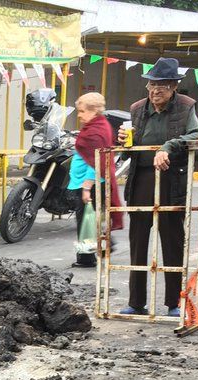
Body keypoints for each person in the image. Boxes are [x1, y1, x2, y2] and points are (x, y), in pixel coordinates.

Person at [116, 58, 198, 317]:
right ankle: (136, 302)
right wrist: (123, 142)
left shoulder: (186, 106)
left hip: (170, 179)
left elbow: (196, 135)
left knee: (172, 240)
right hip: (141, 178)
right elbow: (128, 148)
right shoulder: (137, 109)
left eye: (162, 86)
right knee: (138, 241)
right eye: (152, 85)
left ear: (174, 86)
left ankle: (174, 302)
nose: (155, 91)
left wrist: (168, 147)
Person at [70, 92, 124, 268]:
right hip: (87, 182)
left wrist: (86, 187)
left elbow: (96, 162)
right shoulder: (97, 125)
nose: (79, 115)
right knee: (90, 218)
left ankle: (86, 257)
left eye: (82, 111)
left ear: (94, 111)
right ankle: (100, 246)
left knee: (85, 219)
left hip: (90, 183)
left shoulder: (96, 130)